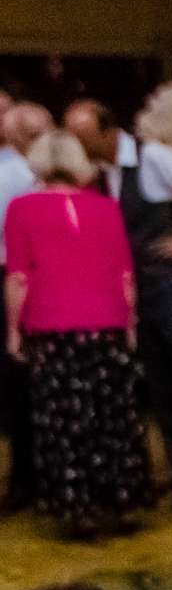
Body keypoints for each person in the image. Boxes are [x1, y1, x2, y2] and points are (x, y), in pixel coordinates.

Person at [65, 98, 172, 506]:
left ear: (106, 131)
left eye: (83, 136)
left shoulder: (155, 158)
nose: (79, 145)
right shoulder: (100, 174)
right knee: (163, 387)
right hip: (140, 291)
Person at [3, 129, 150, 537]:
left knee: (66, 419)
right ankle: (120, 500)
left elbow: (18, 278)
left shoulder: (22, 209)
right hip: (107, 324)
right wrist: (131, 326)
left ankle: (77, 505)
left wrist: (12, 332)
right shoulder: (106, 208)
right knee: (113, 414)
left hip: (54, 327)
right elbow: (126, 277)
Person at [0, 101, 53, 513]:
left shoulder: (28, 172)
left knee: (22, 382)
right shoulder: (21, 171)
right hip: (15, 277)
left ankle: (29, 478)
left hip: (21, 277)